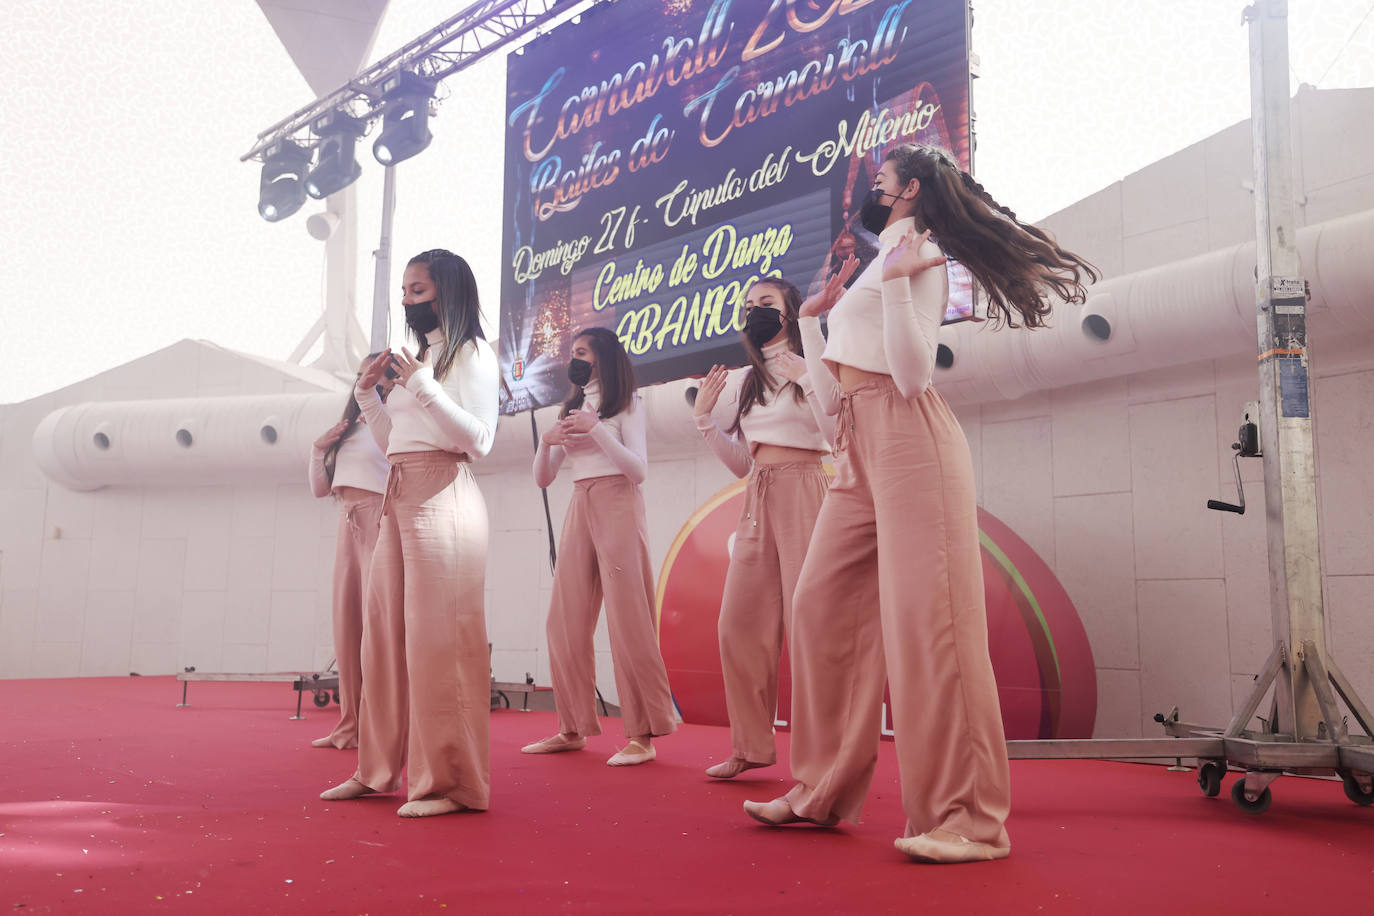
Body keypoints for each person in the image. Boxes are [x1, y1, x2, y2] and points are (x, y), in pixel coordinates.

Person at [742, 144, 1097, 864]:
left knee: (932, 629)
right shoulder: (880, 261)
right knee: (819, 604)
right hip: (857, 447)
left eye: (879, 183)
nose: (869, 193)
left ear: (909, 191)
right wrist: (812, 324)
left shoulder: (921, 256)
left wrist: (902, 288)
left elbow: (909, 377)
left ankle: (969, 819)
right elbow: (837, 399)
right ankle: (822, 788)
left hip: (912, 443)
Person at [320, 249, 498, 817]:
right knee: (382, 639)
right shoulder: (419, 357)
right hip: (398, 491)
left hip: (444, 493)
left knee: (437, 642)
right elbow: (391, 437)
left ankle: (449, 783)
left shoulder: (470, 353)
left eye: (416, 289)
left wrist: (424, 385)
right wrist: (370, 394)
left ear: (446, 290)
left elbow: (479, 439)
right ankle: (376, 770)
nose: (406, 300)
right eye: (403, 290)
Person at [690, 277, 833, 779]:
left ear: (791, 312)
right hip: (758, 491)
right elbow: (739, 464)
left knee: (809, 626)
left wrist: (806, 376)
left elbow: (837, 433)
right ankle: (750, 746)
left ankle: (821, 760)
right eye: (749, 305)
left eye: (766, 304)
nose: (755, 311)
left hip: (806, 487)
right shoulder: (741, 379)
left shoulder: (816, 357)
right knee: (738, 625)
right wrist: (705, 419)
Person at [521, 327, 677, 765]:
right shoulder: (569, 407)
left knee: (628, 618)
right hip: (579, 502)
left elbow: (638, 470)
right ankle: (571, 727)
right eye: (573, 353)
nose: (575, 359)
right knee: (563, 620)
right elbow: (544, 478)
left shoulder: (627, 404)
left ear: (604, 357)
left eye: (583, 352)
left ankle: (643, 734)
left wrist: (598, 430)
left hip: (619, 503)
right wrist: (546, 444)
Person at [306, 360, 394, 749]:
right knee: (347, 624)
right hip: (348, 520)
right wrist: (317, 450)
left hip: (381, 520)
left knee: (380, 627)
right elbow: (320, 489)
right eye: (363, 372)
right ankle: (350, 725)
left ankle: (383, 727)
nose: (368, 378)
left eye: (378, 373)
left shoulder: (393, 421)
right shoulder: (350, 427)